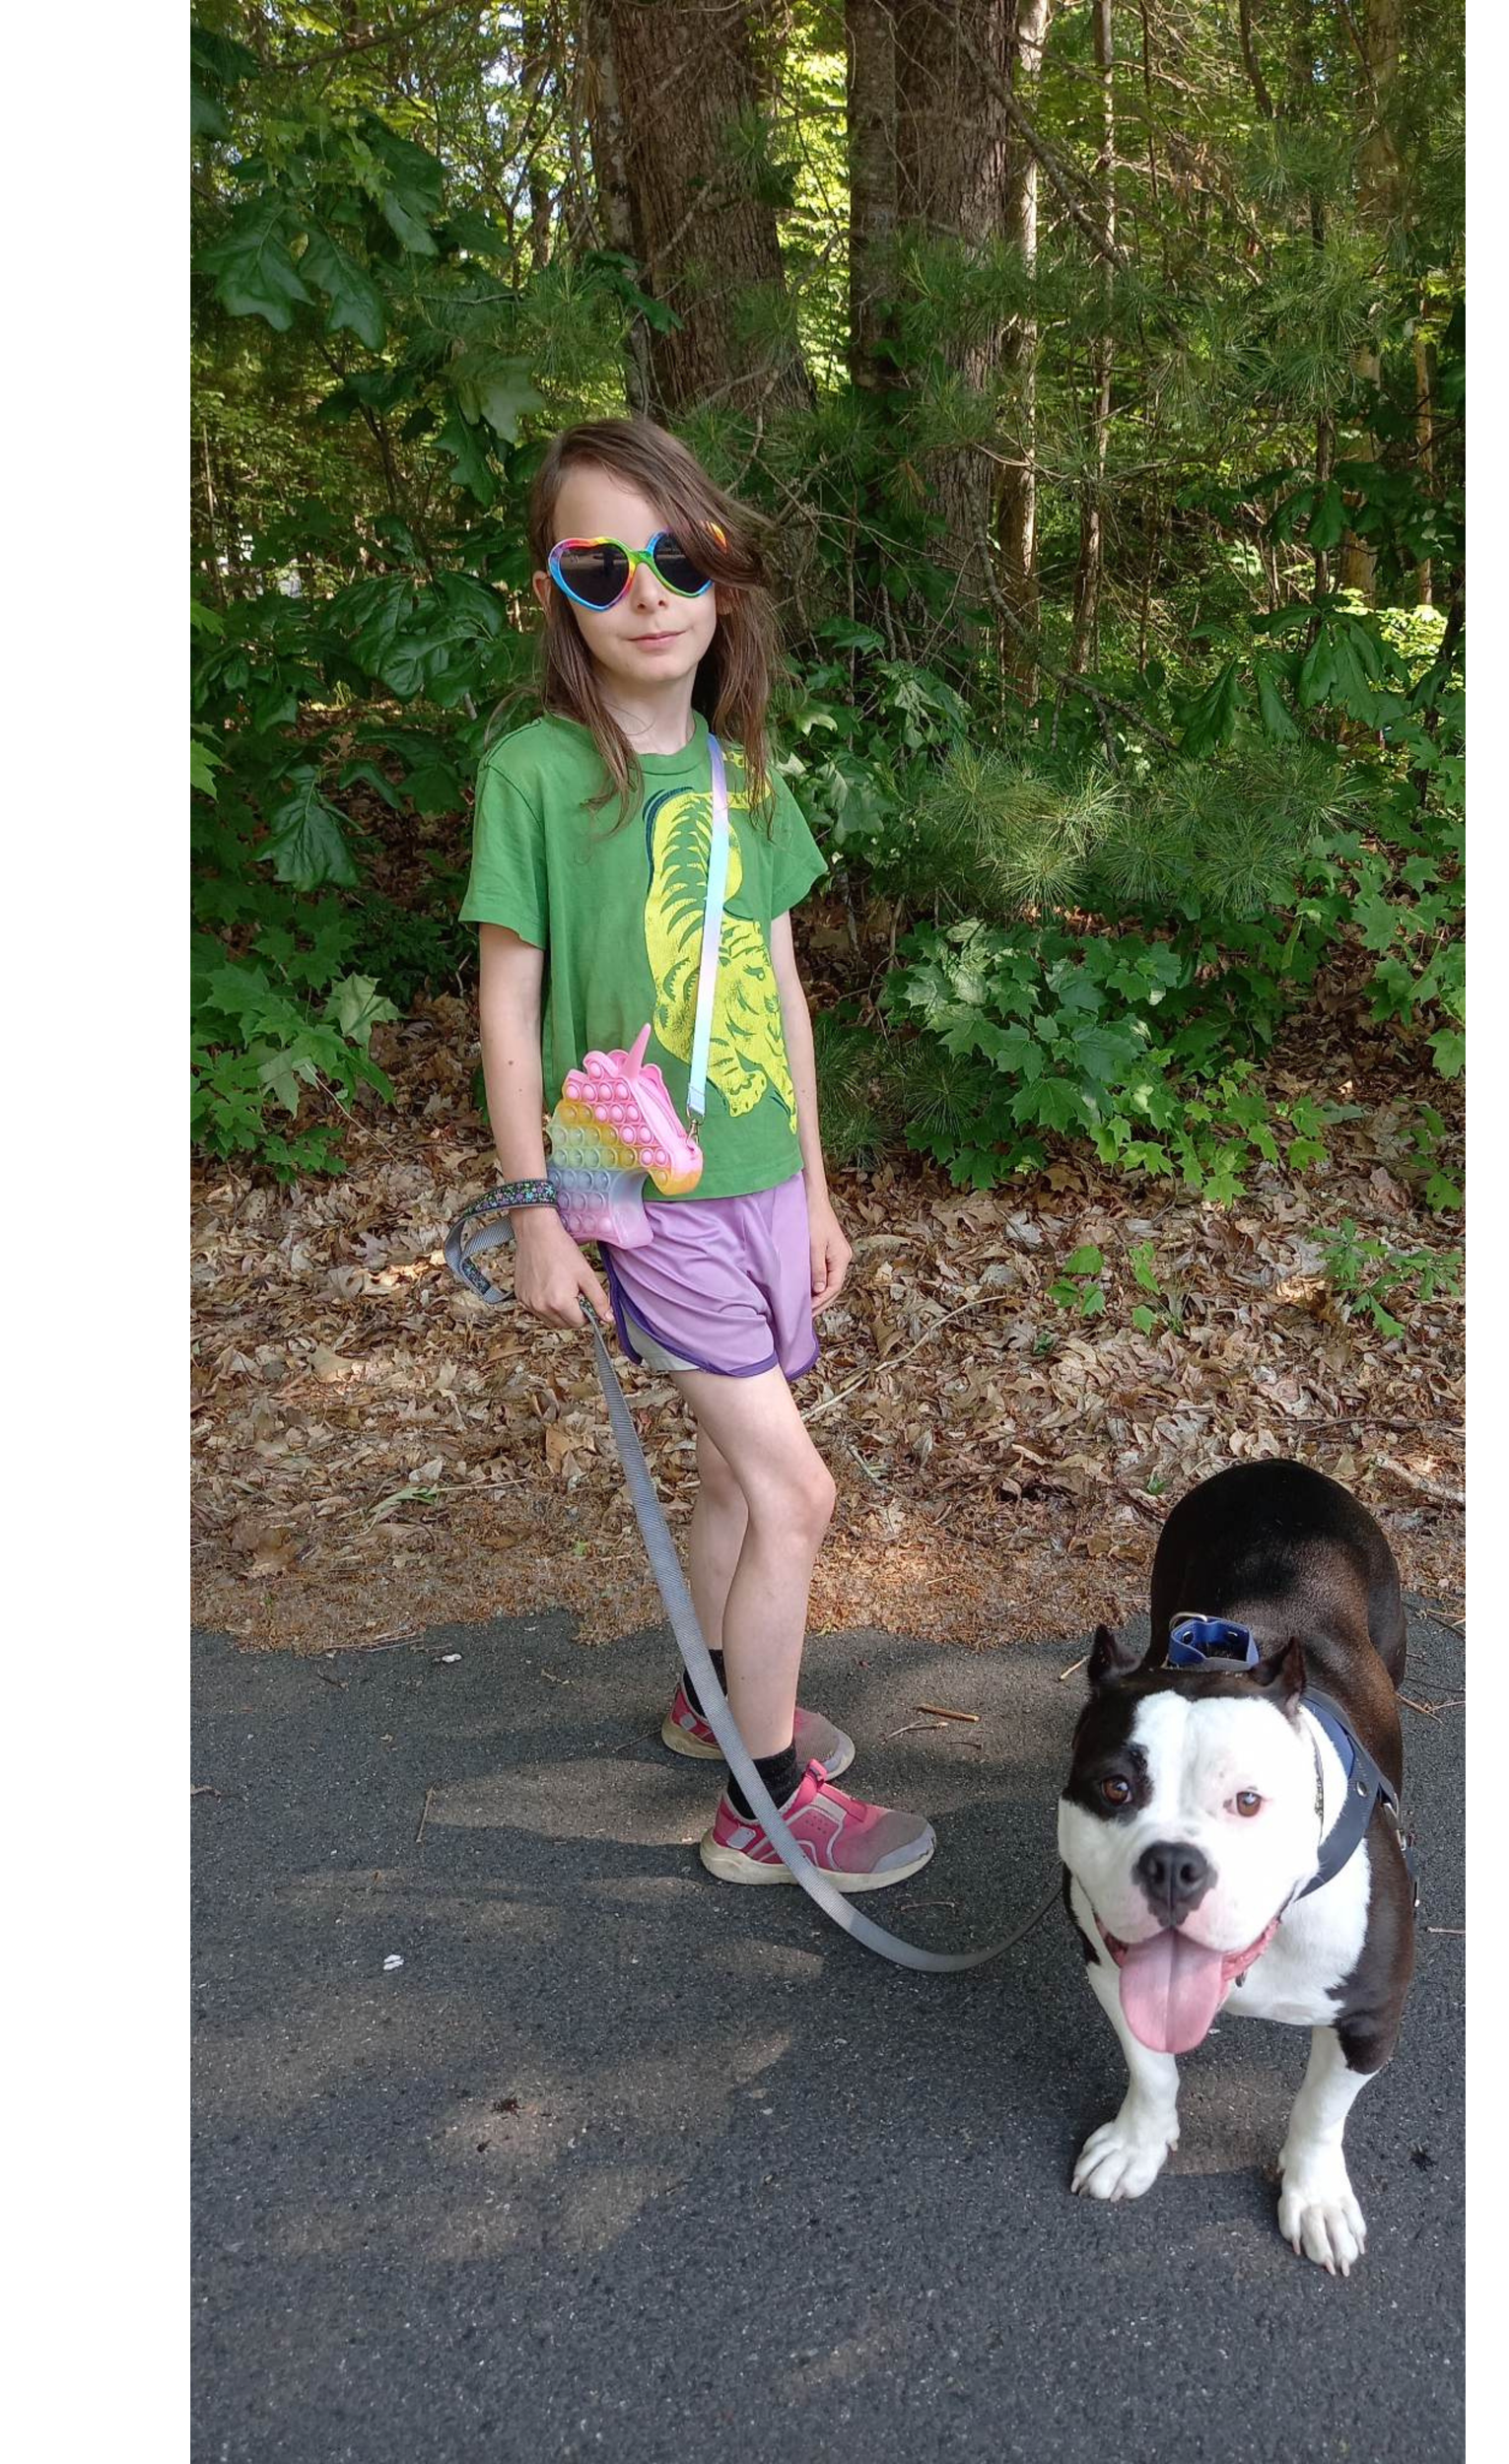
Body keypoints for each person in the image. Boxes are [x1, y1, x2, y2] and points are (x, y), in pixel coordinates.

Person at [458, 417, 936, 1892]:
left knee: (741, 1480)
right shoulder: (537, 773)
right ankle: (764, 1799)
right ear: (557, 591)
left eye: (679, 558)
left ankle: (717, 1700)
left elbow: (781, 986)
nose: (648, 594)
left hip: (760, 1184)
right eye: (602, 567)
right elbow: (509, 1000)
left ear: (723, 576)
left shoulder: (746, 774)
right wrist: (540, 1210)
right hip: (641, 1202)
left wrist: (820, 1188)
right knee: (797, 1493)